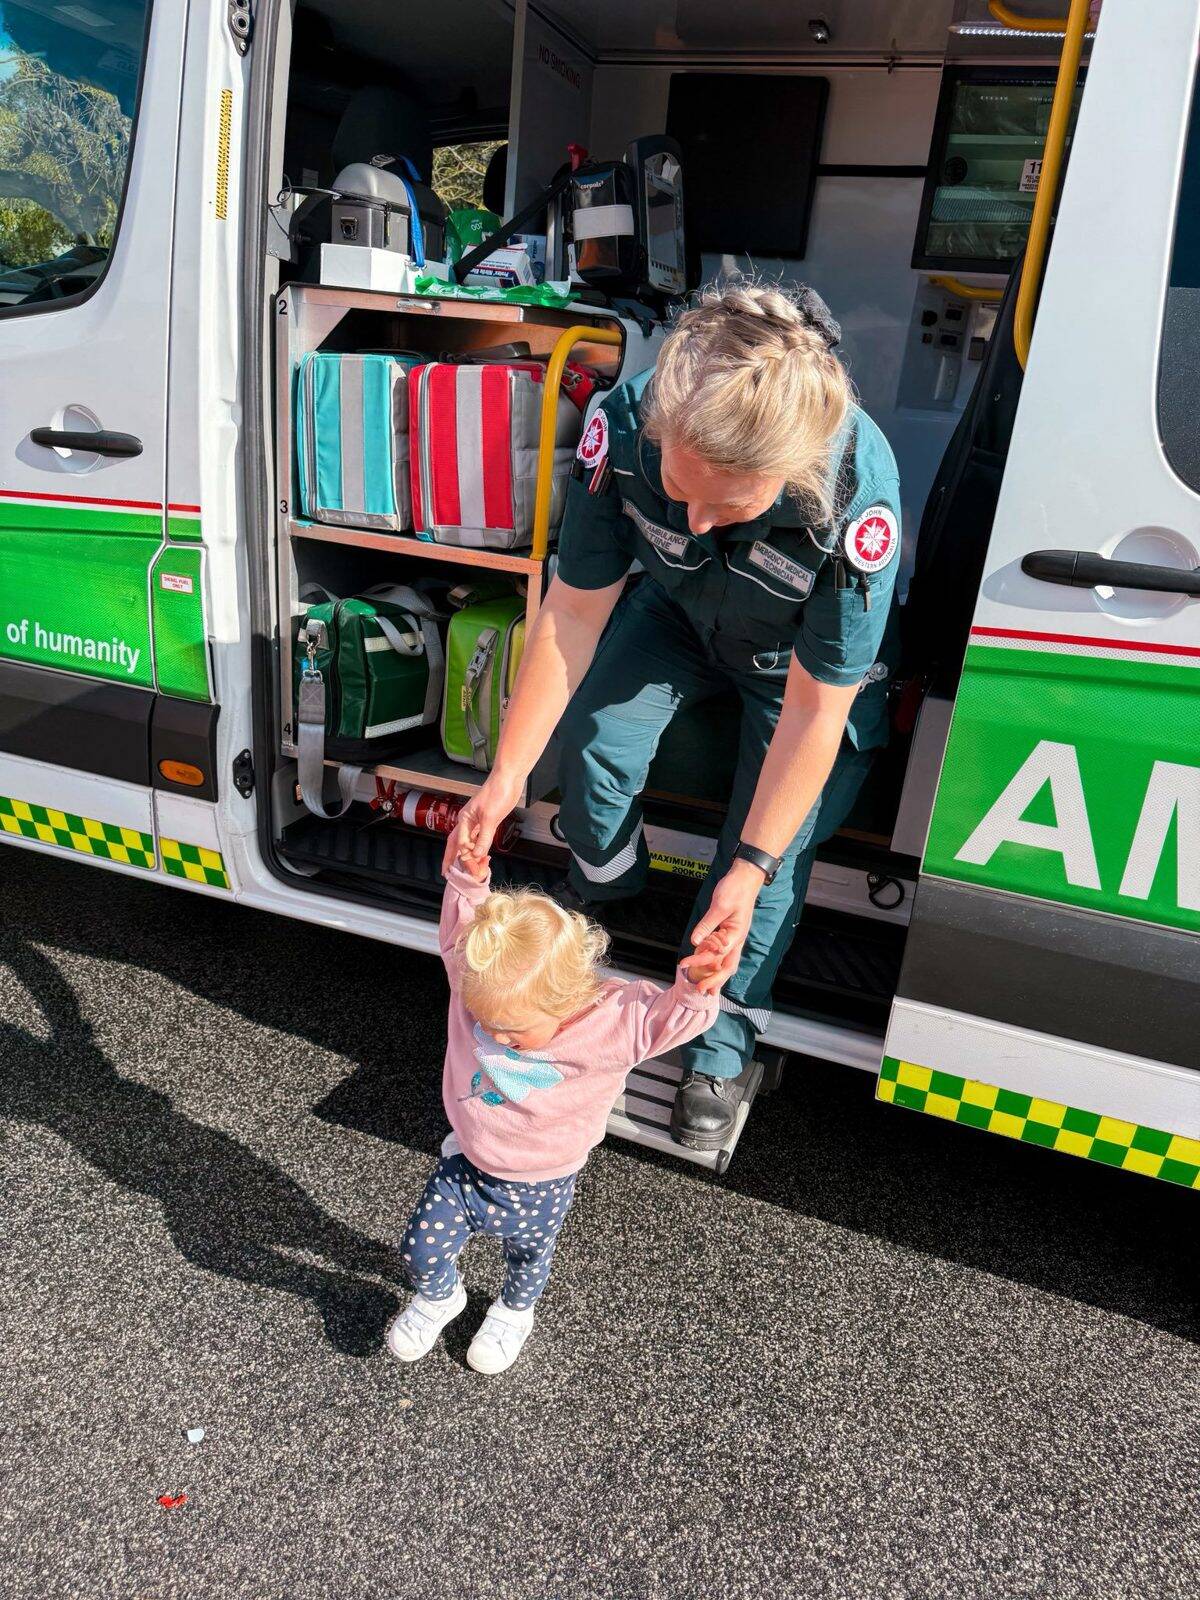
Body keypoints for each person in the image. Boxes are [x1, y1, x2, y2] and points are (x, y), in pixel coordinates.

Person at [445, 277, 901, 1153]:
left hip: (794, 667)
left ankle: (723, 1042)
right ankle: (612, 898)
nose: (692, 519)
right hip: (680, 617)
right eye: (678, 491)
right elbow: (573, 613)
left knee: (756, 868)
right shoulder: (622, 427)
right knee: (591, 748)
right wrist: (501, 782)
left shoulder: (854, 500)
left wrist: (754, 867)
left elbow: (816, 707)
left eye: (725, 506)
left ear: (791, 476)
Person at [386, 853, 720, 1374]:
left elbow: (669, 1021)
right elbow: (461, 939)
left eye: (512, 1032)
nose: (494, 1037)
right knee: (419, 1248)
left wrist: (696, 987)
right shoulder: (478, 991)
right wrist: (468, 879)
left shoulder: (611, 1024)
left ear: (567, 999)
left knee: (527, 1262)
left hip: (544, 1180)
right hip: (468, 1163)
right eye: (487, 1022)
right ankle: (440, 1299)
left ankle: (513, 1315)